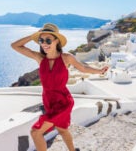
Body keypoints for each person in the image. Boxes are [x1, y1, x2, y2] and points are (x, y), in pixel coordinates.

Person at [11, 23, 108, 151]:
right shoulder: (40, 58)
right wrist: (33, 36)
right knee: (62, 129)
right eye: (41, 40)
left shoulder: (66, 58)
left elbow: (83, 68)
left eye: (48, 40)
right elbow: (15, 46)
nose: (44, 43)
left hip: (63, 102)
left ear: (57, 40)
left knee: (36, 132)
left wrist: (99, 71)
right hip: (49, 102)